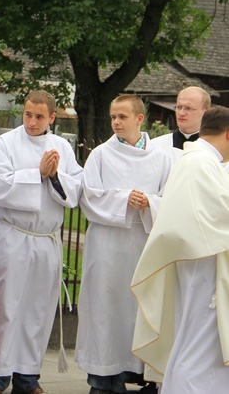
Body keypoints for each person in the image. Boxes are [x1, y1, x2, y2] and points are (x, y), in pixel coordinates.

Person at [0, 90, 83, 394]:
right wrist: (37, 174)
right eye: (28, 114)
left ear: (52, 118)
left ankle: (27, 377)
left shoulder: (62, 148)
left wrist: (56, 176)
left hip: (44, 240)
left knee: (36, 310)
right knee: (5, 307)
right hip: (11, 236)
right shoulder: (5, 143)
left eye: (39, 117)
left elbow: (76, 189)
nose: (32, 122)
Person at [75, 95, 171, 394]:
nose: (116, 122)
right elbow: (88, 196)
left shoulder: (162, 158)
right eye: (113, 116)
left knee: (140, 308)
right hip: (107, 245)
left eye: (122, 117)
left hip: (143, 244)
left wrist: (150, 204)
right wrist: (123, 199)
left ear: (140, 119)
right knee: (105, 307)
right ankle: (103, 379)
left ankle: (142, 375)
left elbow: (171, 199)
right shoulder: (101, 155)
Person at [131, 107, 229, 393]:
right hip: (203, 264)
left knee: (197, 342)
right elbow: (219, 211)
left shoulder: (197, 159)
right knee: (201, 344)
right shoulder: (199, 162)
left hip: (203, 259)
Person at [150, 86, 210, 160]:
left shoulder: (216, 150)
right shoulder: (155, 146)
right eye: (179, 107)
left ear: (205, 112)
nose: (181, 113)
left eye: (188, 108)